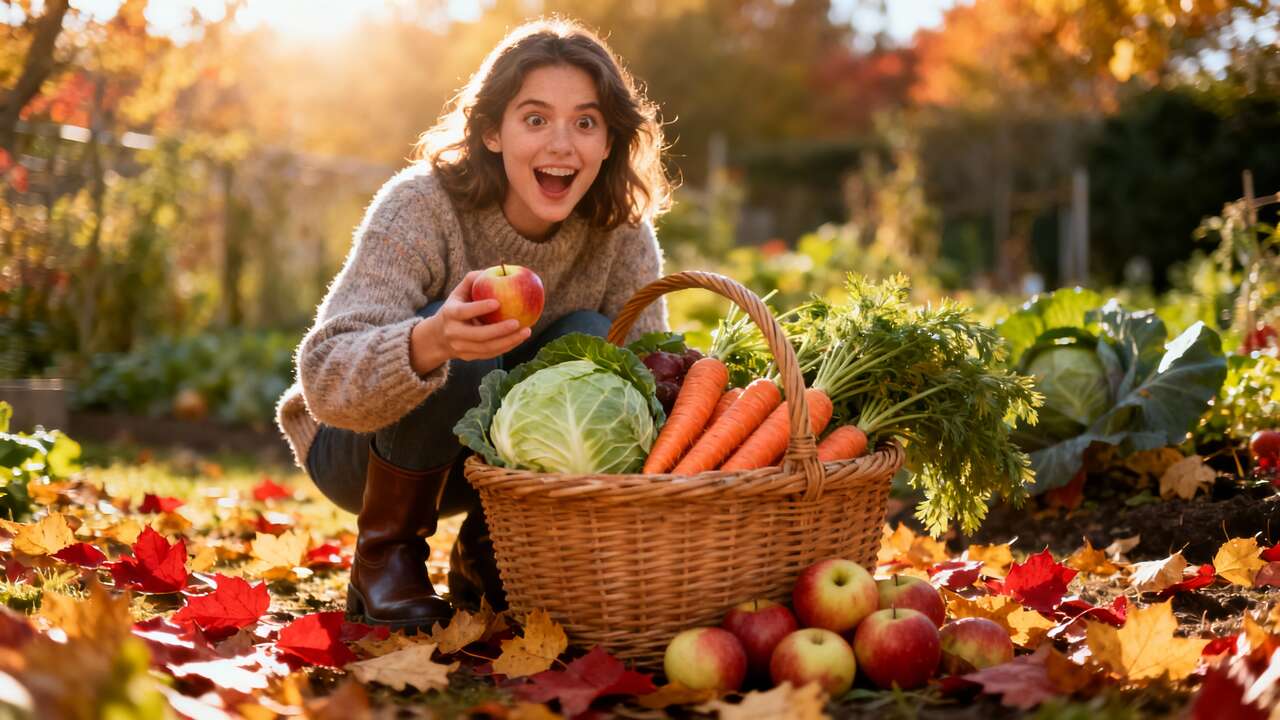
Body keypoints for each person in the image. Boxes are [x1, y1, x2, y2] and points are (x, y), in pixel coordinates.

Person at [274, 18, 673, 631]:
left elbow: (653, 390)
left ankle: (493, 557)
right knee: (462, 339)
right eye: (536, 119)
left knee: (598, 344)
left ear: (608, 140)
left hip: (489, 468)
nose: (562, 145)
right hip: (362, 450)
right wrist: (431, 341)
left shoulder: (621, 236)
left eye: (585, 122)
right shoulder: (421, 205)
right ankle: (386, 560)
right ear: (492, 130)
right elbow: (326, 380)